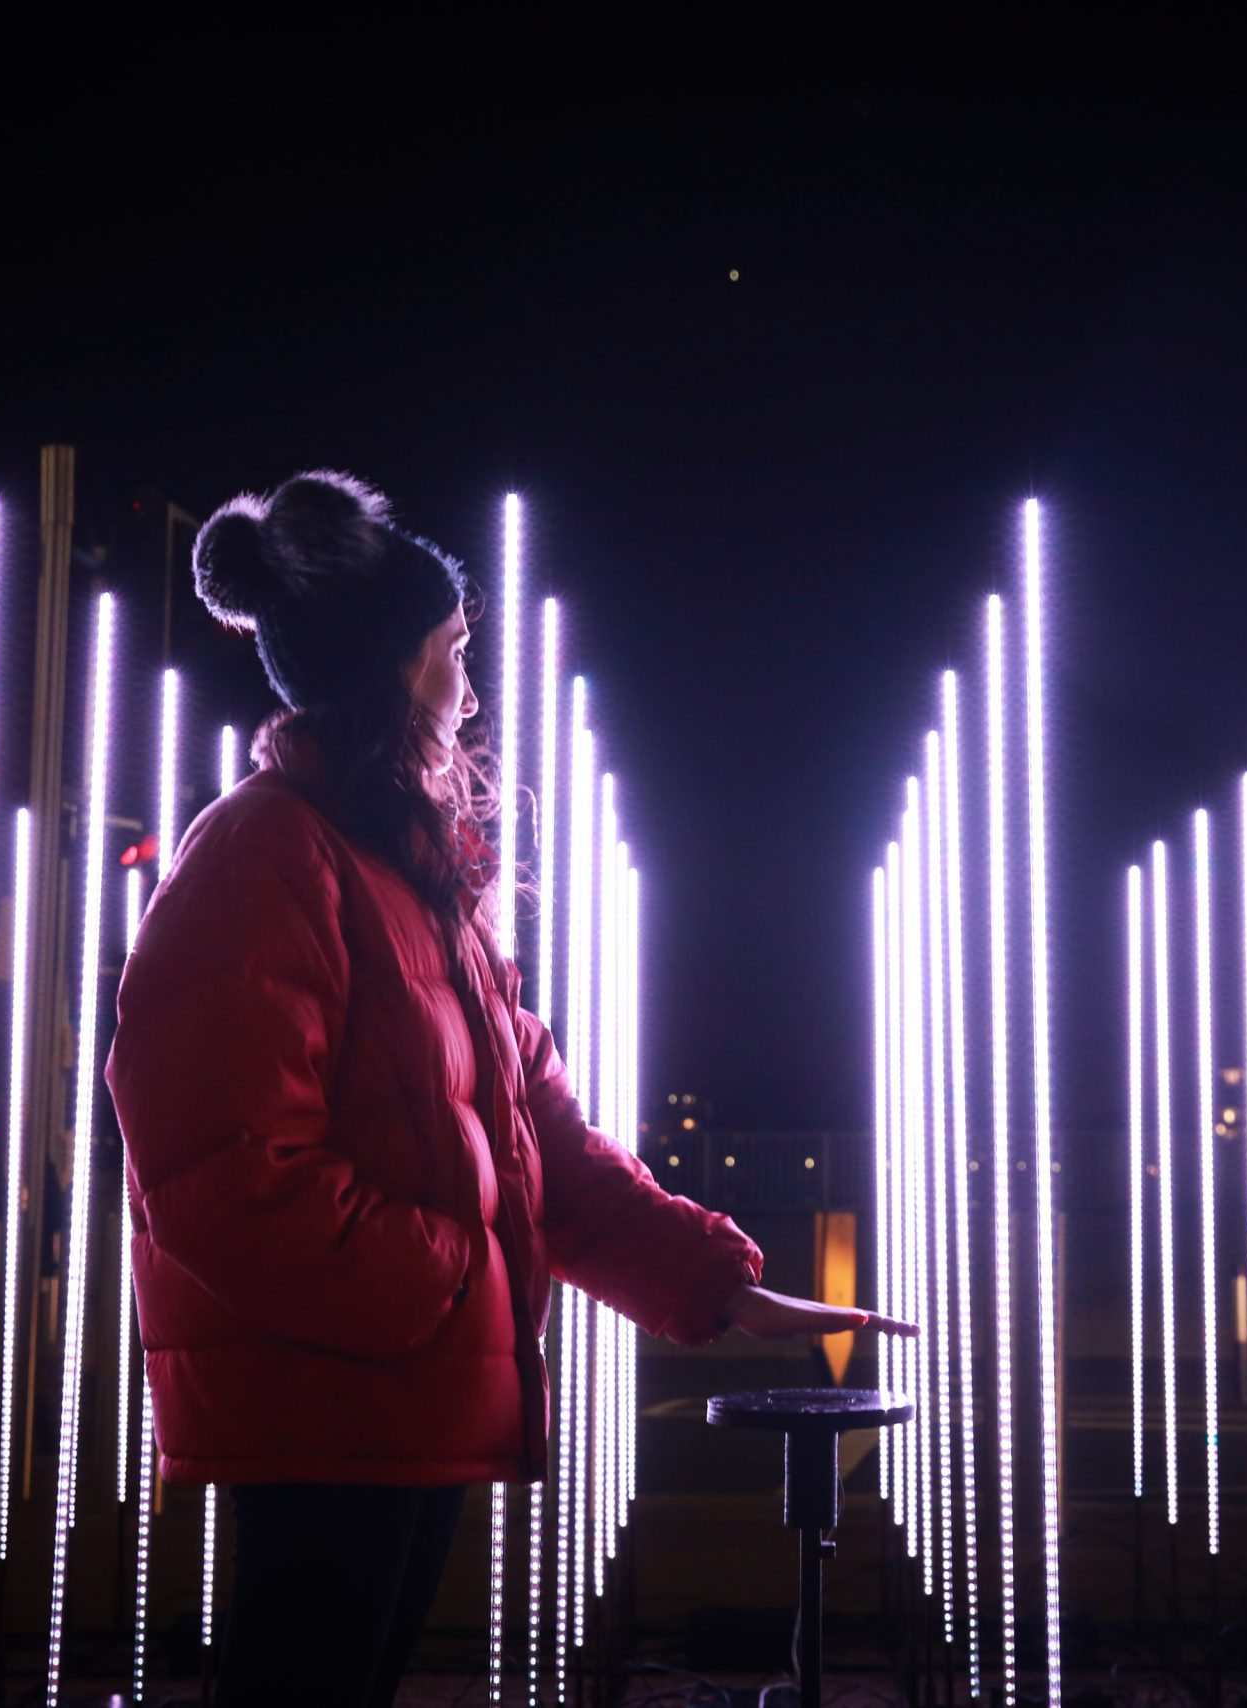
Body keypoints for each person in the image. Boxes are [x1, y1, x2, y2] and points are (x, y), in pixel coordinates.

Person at [105, 470, 912, 1707]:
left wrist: (717, 1282)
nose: (472, 690)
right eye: (454, 653)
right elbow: (224, 1172)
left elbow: (538, 1136)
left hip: (397, 1399)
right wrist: (441, 1278)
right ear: (390, 670)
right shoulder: (265, 853)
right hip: (336, 1405)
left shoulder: (408, 876)